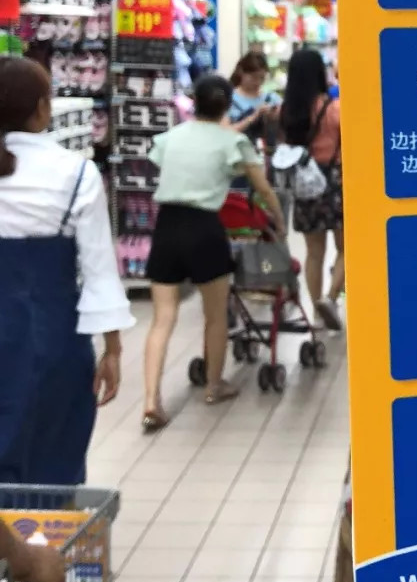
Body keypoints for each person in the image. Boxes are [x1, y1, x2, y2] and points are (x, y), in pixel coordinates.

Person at [0, 57, 133, 484]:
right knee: (53, 462)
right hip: (52, 336)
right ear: (42, 108)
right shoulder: (75, 172)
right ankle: (45, 527)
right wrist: (112, 350)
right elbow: (99, 272)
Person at [142, 73, 285, 432]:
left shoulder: (169, 138)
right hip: (205, 228)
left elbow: (162, 163)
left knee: (162, 318)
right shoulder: (234, 142)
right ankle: (214, 385)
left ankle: (151, 400)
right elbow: (263, 189)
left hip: (167, 226)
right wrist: (279, 222)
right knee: (215, 315)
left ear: (194, 102)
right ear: (227, 105)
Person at [281, 47, 344, 330]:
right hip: (336, 181)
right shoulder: (333, 108)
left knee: (314, 252)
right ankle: (330, 298)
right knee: (347, 248)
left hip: (305, 183)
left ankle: (317, 311)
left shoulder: (287, 111)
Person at [229, 51, 281, 146]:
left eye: (262, 78)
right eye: (253, 77)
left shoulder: (271, 98)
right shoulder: (228, 99)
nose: (257, 82)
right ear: (241, 72)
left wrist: (275, 117)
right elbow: (225, 132)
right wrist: (254, 116)